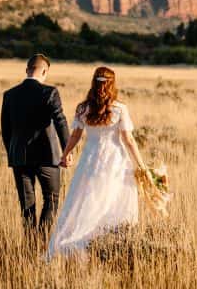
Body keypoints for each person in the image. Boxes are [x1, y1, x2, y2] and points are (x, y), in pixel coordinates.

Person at [46, 66, 147, 259]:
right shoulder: (119, 109)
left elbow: (75, 135)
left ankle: (80, 242)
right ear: (112, 84)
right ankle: (109, 244)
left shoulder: (83, 108)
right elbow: (128, 139)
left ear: (94, 83)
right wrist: (141, 165)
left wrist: (65, 154)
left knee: (86, 200)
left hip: (90, 160)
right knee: (112, 199)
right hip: (115, 161)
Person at [1, 53, 70, 236]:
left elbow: (6, 131)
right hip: (47, 157)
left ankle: (30, 244)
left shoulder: (9, 95)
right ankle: (43, 241)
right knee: (52, 199)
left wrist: (12, 153)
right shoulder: (50, 92)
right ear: (45, 72)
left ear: (27, 70)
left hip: (19, 158)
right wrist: (67, 150)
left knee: (27, 204)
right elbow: (60, 121)